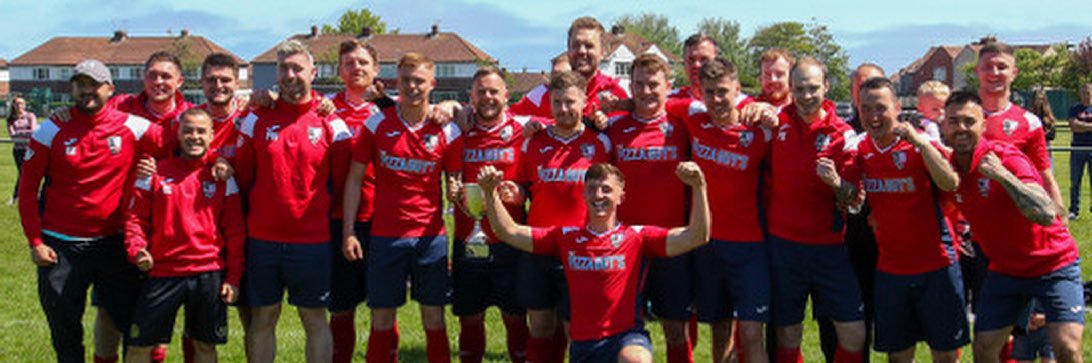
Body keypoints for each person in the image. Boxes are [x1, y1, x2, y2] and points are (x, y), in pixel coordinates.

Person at [480, 161, 711, 363]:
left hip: (626, 337)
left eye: (606, 189)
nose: (599, 195)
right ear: (584, 195)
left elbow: (697, 236)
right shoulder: (566, 237)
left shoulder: (638, 237)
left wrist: (699, 187)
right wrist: (489, 192)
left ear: (622, 196)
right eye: (592, 189)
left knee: (636, 359)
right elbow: (508, 231)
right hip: (583, 344)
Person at [18, 59, 164, 363]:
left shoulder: (131, 126)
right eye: (80, 84)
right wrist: (35, 242)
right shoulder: (51, 129)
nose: (87, 91)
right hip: (60, 249)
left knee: (133, 329)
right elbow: (28, 190)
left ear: (109, 89)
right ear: (72, 87)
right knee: (65, 334)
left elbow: (183, 141)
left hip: (113, 244)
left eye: (94, 85)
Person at [818, 77, 969, 362]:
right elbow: (851, 198)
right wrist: (837, 182)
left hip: (937, 265)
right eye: (866, 109)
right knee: (898, 356)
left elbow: (950, 183)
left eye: (881, 108)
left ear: (897, 107)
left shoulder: (918, 142)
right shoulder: (861, 149)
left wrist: (921, 144)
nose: (874, 117)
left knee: (946, 355)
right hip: (891, 270)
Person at [939, 91, 1084, 363]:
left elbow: (1044, 212)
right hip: (1006, 270)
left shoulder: (1005, 157)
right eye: (954, 121)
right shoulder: (948, 170)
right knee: (984, 348)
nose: (961, 128)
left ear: (983, 125)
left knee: (1067, 348)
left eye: (969, 121)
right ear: (943, 125)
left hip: (1053, 264)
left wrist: (1003, 176)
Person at [233, 40, 353, 363]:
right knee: (263, 319)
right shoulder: (257, 119)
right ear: (276, 73)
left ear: (313, 72)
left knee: (314, 319)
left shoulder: (332, 122)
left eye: (297, 68)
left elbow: (342, 183)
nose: (290, 75)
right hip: (263, 240)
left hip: (312, 240)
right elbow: (243, 177)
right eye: (284, 68)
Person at [342, 52, 463, 363]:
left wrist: (457, 191)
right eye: (406, 80)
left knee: (434, 319)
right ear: (397, 82)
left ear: (432, 84)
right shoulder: (377, 123)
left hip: (430, 240)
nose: (412, 87)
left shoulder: (447, 130)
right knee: (381, 320)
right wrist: (349, 232)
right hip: (385, 238)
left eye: (419, 81)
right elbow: (355, 179)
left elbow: (456, 184)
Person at [122, 108, 245, 363]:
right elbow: (135, 220)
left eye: (201, 131)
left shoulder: (223, 177)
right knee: (138, 347)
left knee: (205, 347)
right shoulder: (153, 173)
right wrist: (137, 250)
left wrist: (233, 278)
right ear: (177, 133)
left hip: (208, 274)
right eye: (188, 130)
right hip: (162, 274)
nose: (194, 136)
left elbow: (235, 233)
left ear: (212, 135)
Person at [767, 57, 866, 363]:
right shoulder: (775, 122)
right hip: (783, 246)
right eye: (799, 89)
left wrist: (836, 182)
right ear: (790, 89)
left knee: (854, 333)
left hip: (829, 249)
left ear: (826, 86)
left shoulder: (842, 134)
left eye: (812, 88)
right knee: (788, 333)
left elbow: (854, 200)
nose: (806, 96)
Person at [516, 70, 613, 363]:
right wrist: (512, 191)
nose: (563, 109)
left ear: (584, 101)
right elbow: (522, 186)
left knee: (578, 329)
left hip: (584, 249)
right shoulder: (532, 142)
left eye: (570, 102)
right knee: (542, 326)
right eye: (557, 102)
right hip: (541, 246)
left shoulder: (601, 144)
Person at [682, 57, 775, 363]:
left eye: (723, 91)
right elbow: (649, 102)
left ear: (738, 89)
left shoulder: (759, 130)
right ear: (700, 93)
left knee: (750, 334)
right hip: (707, 245)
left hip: (749, 247)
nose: (717, 99)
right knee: (719, 330)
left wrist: (768, 110)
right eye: (710, 92)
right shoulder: (693, 119)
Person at [605, 54, 693, 363]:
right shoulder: (614, 128)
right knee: (624, 327)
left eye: (653, 85)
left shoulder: (683, 126)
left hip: (672, 242)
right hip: (627, 246)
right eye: (639, 84)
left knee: (675, 329)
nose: (645, 91)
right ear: (629, 86)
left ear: (668, 86)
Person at [450, 66, 532, 363]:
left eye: (493, 91)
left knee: (515, 316)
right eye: (481, 92)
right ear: (470, 97)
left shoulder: (524, 129)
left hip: (510, 241)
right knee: (470, 317)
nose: (487, 97)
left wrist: (521, 193)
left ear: (506, 96)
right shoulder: (458, 128)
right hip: (467, 237)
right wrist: (456, 190)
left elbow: (568, 116)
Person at [324, 39, 382, 363]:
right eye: (349, 63)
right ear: (339, 71)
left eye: (362, 62)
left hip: (382, 219)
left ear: (375, 69)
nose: (356, 68)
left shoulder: (390, 107)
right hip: (338, 218)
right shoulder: (325, 108)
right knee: (341, 306)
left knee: (382, 306)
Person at [974, 41, 1065, 221]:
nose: (994, 73)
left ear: (1014, 74)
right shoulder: (958, 119)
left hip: (1014, 219)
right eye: (988, 67)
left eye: (1002, 67)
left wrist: (1061, 219)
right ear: (977, 71)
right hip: (968, 223)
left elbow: (1044, 175)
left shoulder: (1029, 122)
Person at [510, 17, 628, 120]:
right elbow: (506, 123)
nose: (581, 51)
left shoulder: (615, 93)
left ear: (603, 52)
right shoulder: (543, 93)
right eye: (576, 45)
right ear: (568, 49)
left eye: (589, 46)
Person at [1067, 83, 1092, 220]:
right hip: (1077, 149)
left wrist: (1081, 125)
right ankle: (1074, 210)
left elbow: (1078, 125)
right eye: (1083, 92)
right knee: (1075, 182)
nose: (1086, 95)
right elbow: (1073, 126)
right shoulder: (1074, 109)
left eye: (1088, 92)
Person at [6, 95, 36, 205]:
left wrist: (20, 132)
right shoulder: (10, 119)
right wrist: (25, 132)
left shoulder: (30, 116)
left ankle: (26, 197)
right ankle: (16, 197)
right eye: (17, 103)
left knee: (32, 173)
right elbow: (12, 135)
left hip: (31, 149)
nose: (19, 106)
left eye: (21, 103)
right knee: (22, 173)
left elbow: (33, 131)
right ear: (13, 105)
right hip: (18, 150)